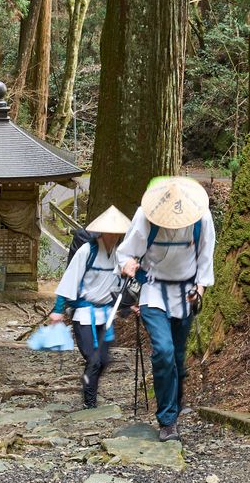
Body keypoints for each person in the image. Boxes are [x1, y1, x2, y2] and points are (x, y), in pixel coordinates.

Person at [117, 176, 214, 441]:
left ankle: (175, 405)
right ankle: (167, 420)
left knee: (178, 359)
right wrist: (127, 265)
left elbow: (205, 260)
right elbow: (125, 252)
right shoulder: (145, 216)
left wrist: (199, 291)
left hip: (186, 293)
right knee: (163, 351)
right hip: (153, 291)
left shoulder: (201, 218)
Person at [46, 206, 131, 409]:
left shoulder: (120, 254)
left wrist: (129, 307)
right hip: (84, 315)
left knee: (103, 360)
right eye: (110, 232)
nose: (114, 236)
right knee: (93, 359)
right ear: (102, 232)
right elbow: (69, 281)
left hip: (106, 315)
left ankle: (87, 385)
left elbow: (122, 285)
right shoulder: (87, 251)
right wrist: (58, 310)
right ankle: (89, 403)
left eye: (117, 233)